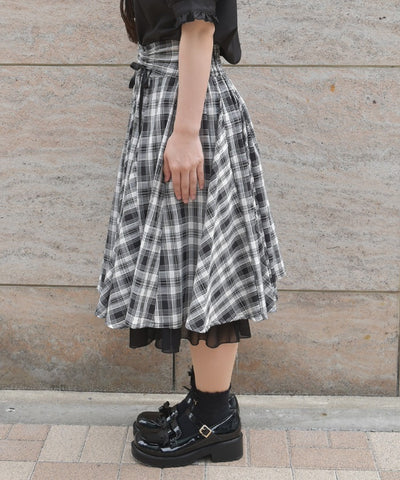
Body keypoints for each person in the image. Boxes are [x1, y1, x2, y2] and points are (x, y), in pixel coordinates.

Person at [95, 0, 287, 468]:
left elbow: (199, 29)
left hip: (186, 109)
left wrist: (185, 133)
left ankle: (214, 421)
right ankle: (207, 404)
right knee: (189, 266)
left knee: (207, 265)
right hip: (170, 99)